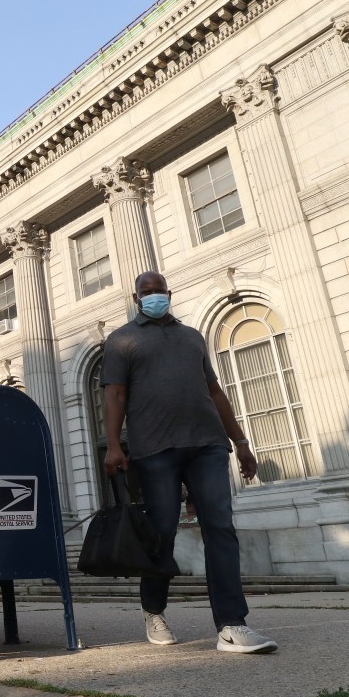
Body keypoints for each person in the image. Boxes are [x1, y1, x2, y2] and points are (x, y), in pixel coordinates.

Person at [100, 270, 278, 654]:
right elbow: (114, 396)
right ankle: (154, 609)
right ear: (136, 299)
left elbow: (215, 391)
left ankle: (232, 624)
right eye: (146, 293)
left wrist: (241, 441)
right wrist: (114, 445)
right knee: (162, 532)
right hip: (154, 450)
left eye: (158, 291)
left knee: (220, 527)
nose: (154, 297)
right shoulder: (121, 340)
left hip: (207, 444)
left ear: (169, 292)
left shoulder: (191, 337)